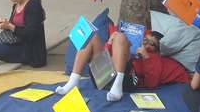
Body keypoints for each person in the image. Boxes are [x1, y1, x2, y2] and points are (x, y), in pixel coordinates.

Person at [56, 30, 189, 101]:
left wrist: (147, 57)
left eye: (152, 44)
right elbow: (110, 57)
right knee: (91, 36)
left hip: (126, 81)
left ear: (158, 50)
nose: (147, 45)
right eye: (146, 40)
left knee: (120, 37)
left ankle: (117, 87)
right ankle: (73, 82)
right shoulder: (132, 45)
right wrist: (109, 43)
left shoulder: (156, 59)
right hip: (104, 77)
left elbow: (151, 84)